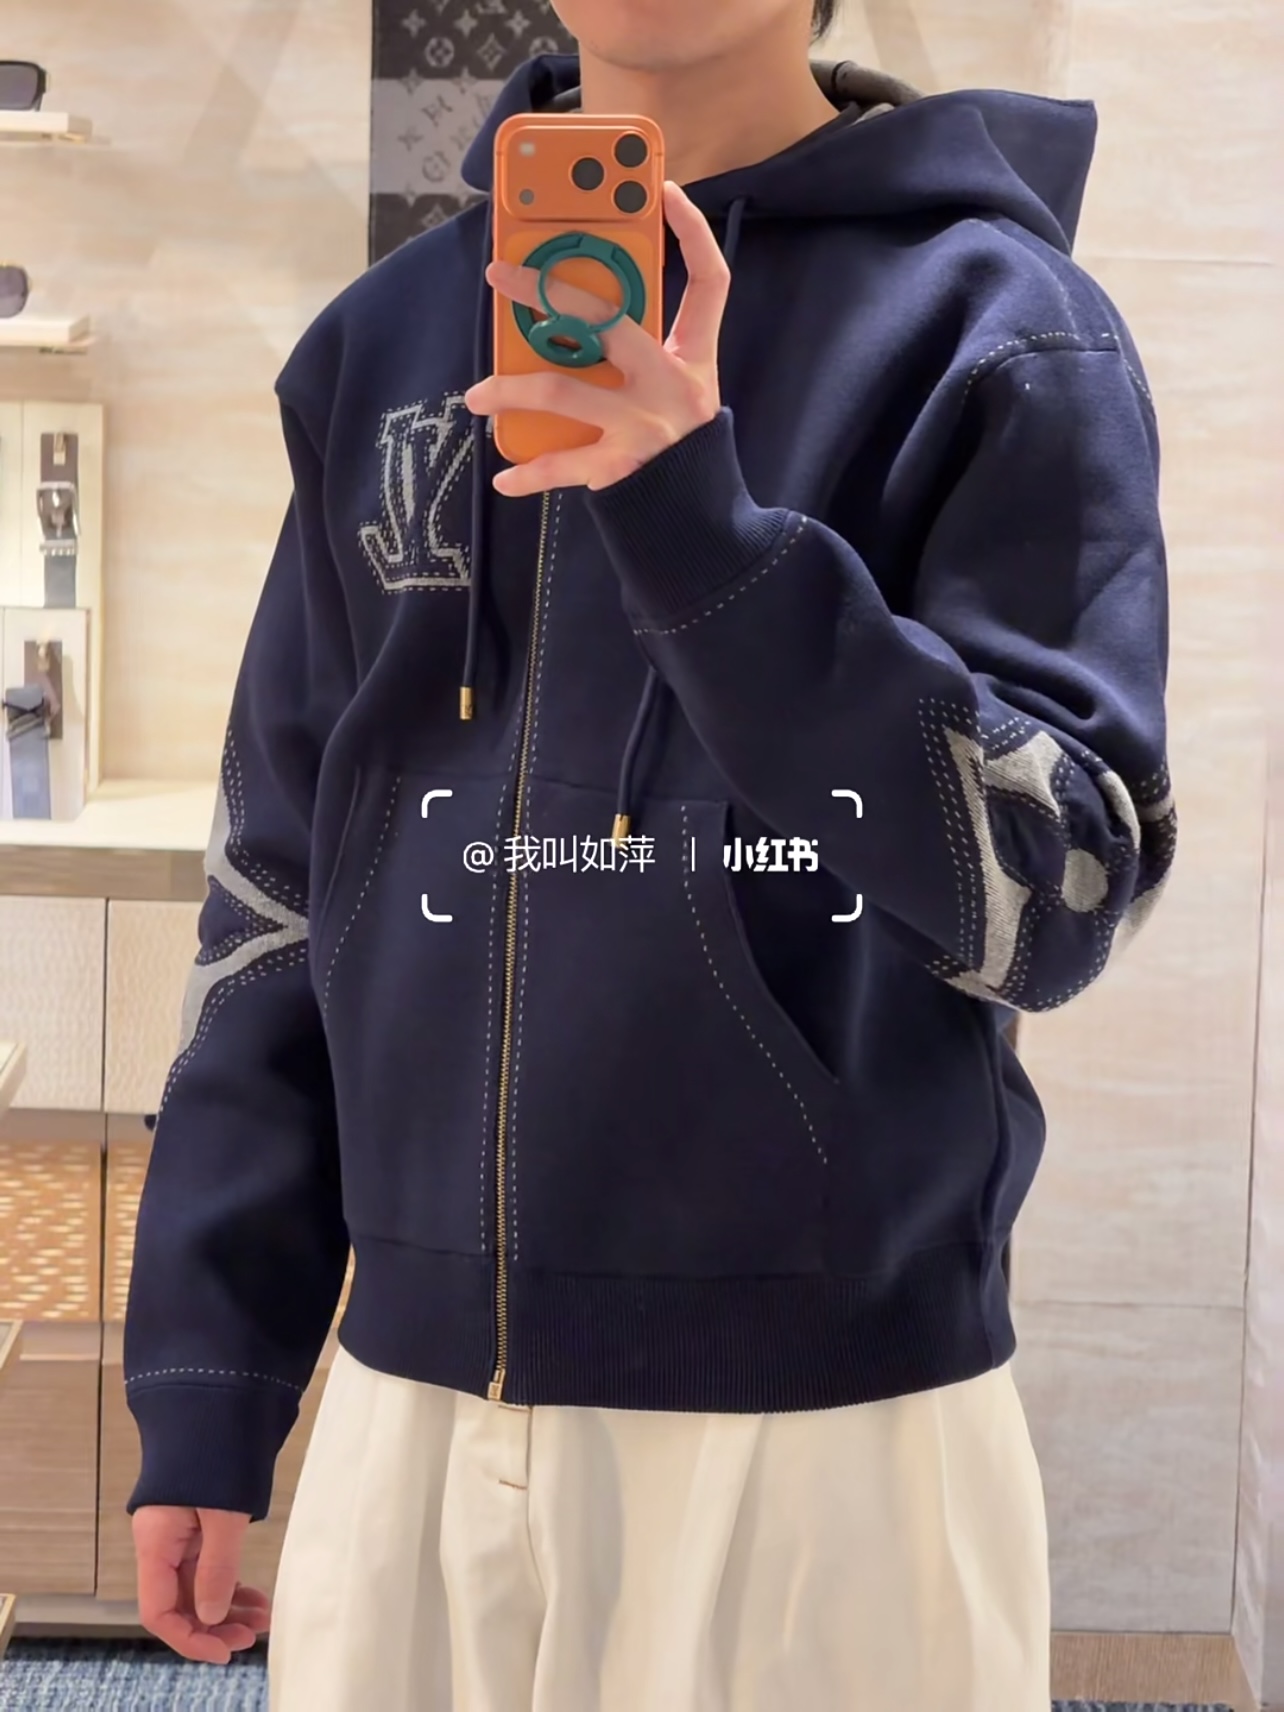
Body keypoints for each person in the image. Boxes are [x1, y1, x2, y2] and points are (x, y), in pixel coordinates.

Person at [124, 1, 1177, 1707]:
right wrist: (212, 1363)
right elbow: (284, 879)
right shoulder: (383, 344)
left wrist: (707, 539)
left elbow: (1054, 891)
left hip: (824, 1430)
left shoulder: (997, 327)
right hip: (412, 1413)